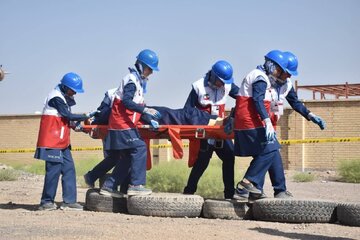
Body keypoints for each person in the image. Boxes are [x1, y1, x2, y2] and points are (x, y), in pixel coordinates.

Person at [233, 50, 326, 200]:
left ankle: (274, 190)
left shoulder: (284, 84)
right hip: (249, 122)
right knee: (270, 150)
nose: (289, 76)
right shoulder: (260, 77)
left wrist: (310, 115)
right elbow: (257, 100)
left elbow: (295, 102)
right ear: (273, 67)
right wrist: (267, 121)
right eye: (286, 72)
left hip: (263, 123)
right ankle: (245, 185)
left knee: (273, 153)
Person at [99, 49, 162, 197]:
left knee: (127, 157)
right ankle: (136, 185)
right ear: (141, 66)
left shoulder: (138, 83)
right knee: (140, 148)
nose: (151, 73)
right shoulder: (131, 80)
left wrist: (148, 117)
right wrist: (145, 109)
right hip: (122, 124)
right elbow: (127, 102)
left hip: (125, 124)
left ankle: (109, 187)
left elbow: (135, 107)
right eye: (149, 69)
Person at [35, 72, 98, 211]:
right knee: (53, 171)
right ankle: (46, 202)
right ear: (65, 86)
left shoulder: (63, 98)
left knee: (69, 169)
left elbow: (65, 120)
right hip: (52, 141)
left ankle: (69, 202)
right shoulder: (56, 97)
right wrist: (85, 116)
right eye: (73, 90)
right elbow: (67, 115)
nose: (74, 93)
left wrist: (78, 126)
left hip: (62, 142)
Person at [182, 60, 244, 200]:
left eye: (224, 82)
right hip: (206, 132)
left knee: (229, 157)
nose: (222, 85)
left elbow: (243, 98)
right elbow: (187, 111)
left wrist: (234, 115)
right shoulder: (198, 87)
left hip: (221, 131)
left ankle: (229, 194)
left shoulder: (227, 85)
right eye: (220, 81)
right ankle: (188, 193)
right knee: (202, 161)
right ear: (213, 76)